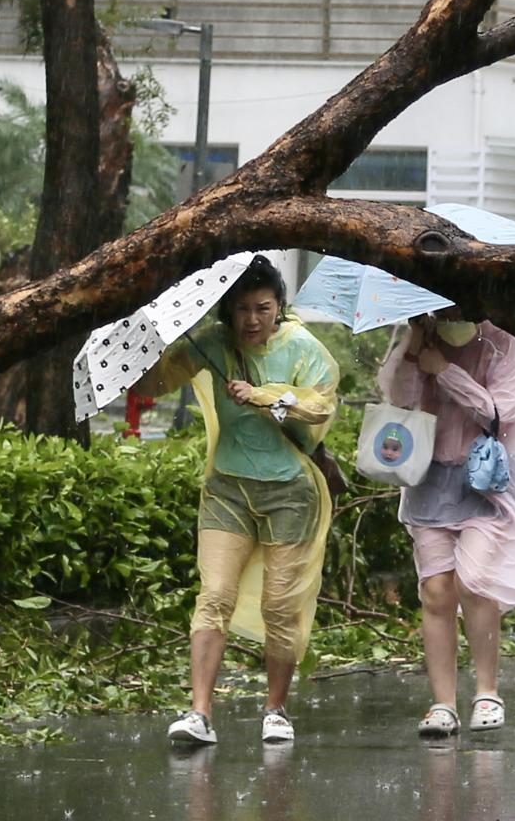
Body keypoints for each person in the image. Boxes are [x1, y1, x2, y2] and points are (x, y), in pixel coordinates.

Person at [128, 255, 340, 747]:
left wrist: (267, 396)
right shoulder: (212, 344)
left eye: (263, 308)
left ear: (279, 307)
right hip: (228, 489)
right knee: (214, 597)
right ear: (226, 311)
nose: (251, 320)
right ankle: (199, 713)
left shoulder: (303, 347)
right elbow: (153, 384)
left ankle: (276, 710)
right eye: (241, 309)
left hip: (290, 493)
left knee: (280, 607)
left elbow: (321, 405)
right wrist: (158, 342)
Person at [378, 308, 515, 738]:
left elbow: (498, 412)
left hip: (485, 480)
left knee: (474, 581)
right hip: (429, 479)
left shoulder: (506, 339)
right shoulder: (422, 331)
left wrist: (444, 371)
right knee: (435, 591)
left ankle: (487, 691)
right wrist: (412, 349)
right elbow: (399, 398)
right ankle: (443, 703)